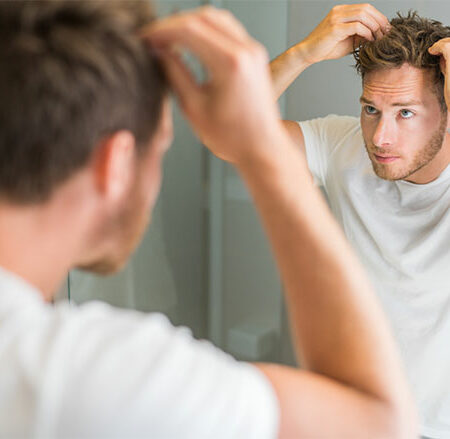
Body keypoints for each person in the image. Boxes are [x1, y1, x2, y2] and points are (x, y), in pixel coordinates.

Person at [0, 1, 416, 438]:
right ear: (117, 164)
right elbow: (379, 422)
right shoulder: (97, 377)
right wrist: (260, 147)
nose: (383, 134)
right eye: (161, 145)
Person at [270, 3, 450, 438]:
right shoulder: (343, 146)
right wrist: (302, 53)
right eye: (371, 109)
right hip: (354, 419)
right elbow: (227, 136)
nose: (381, 138)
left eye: (405, 112)